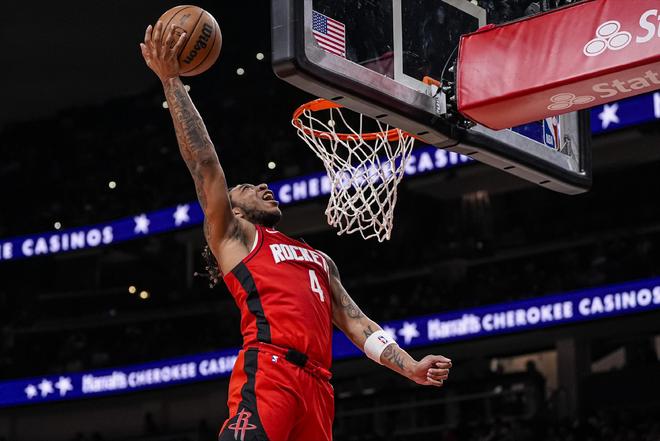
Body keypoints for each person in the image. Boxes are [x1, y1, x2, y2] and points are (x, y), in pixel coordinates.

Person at [140, 21, 452, 441]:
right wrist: (171, 82)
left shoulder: (320, 260)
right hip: (272, 370)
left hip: (319, 388)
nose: (261, 186)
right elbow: (204, 164)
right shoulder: (235, 238)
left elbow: (357, 323)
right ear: (233, 210)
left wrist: (409, 366)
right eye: (247, 188)